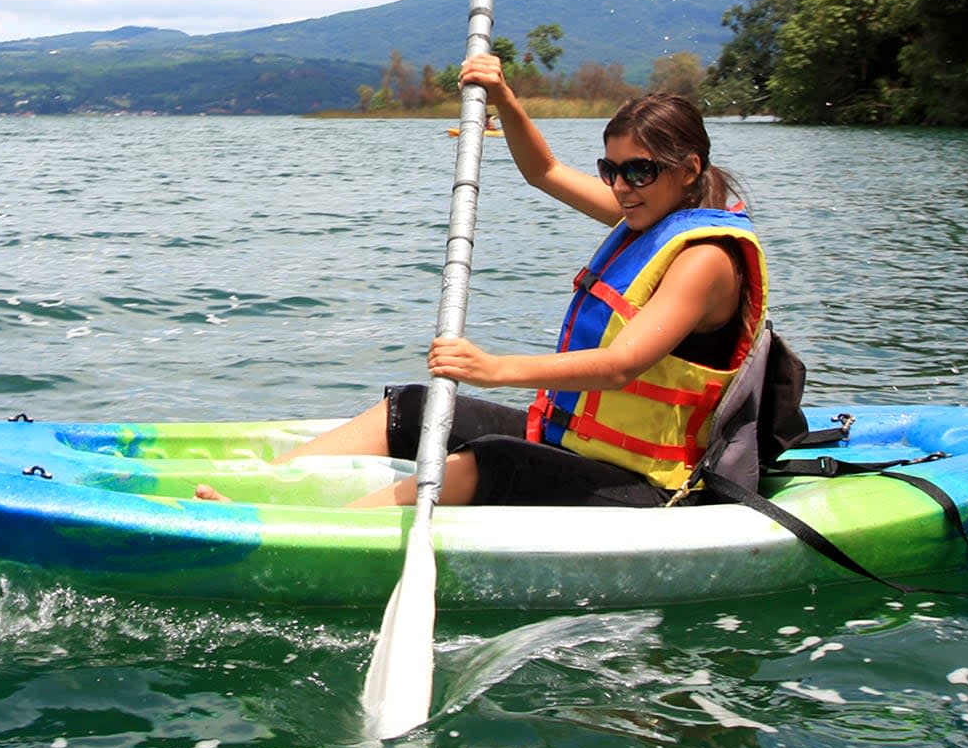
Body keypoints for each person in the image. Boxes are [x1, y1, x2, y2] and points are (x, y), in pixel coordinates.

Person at [197, 52, 766, 508]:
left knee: (494, 459)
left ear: (689, 170)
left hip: (645, 486)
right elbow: (543, 171)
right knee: (418, 408)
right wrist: (504, 99)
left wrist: (494, 370)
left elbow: (622, 365)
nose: (622, 186)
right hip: (573, 443)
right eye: (611, 170)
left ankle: (312, 533)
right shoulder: (644, 216)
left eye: (639, 170)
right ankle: (255, 494)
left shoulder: (706, 258)